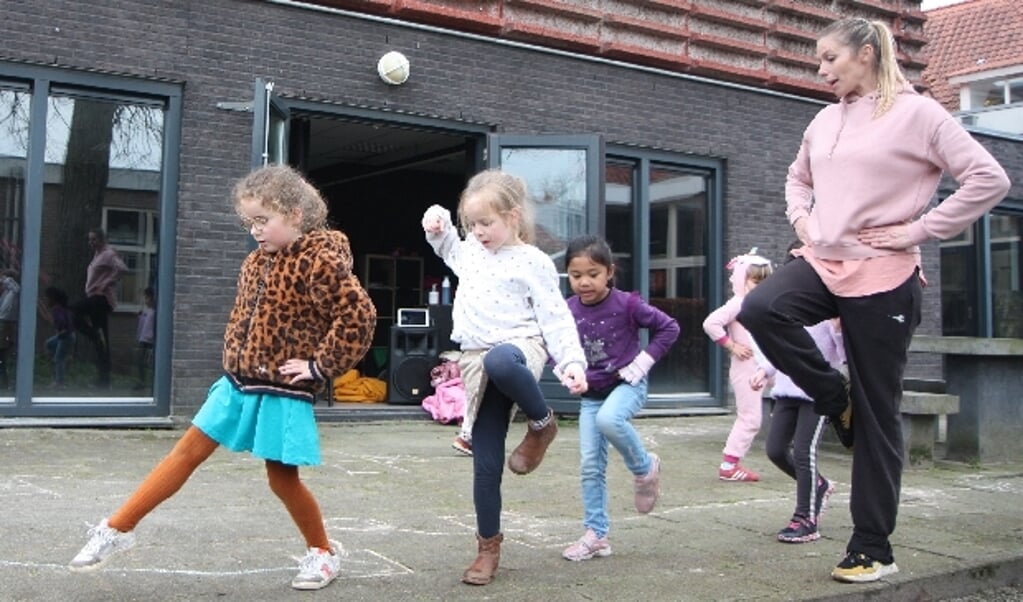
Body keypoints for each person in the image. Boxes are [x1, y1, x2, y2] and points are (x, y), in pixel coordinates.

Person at [737, 17, 1010, 583]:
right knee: (763, 309)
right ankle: (835, 396)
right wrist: (802, 219)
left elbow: (989, 179)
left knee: (879, 413)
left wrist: (921, 230)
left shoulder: (920, 114)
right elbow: (797, 179)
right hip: (823, 260)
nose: (821, 69)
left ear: (866, 53)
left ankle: (872, 546)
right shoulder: (824, 119)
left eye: (829, 58)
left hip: (884, 273)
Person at [69, 164, 378, 592]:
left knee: (281, 478)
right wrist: (233, 353)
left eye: (263, 221)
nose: (255, 230)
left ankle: (323, 553)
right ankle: (116, 529)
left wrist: (318, 367)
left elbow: (359, 317)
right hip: (236, 381)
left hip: (282, 389)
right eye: (249, 222)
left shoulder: (320, 261)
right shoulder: (254, 261)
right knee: (186, 453)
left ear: (294, 214)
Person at [421, 168, 588, 586]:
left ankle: (541, 422)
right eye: (472, 224)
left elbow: (555, 316)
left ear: (513, 217)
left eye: (486, 223)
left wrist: (571, 362)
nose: (478, 232)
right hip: (478, 361)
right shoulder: (469, 252)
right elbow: (443, 242)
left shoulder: (533, 262)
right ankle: (487, 548)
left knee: (501, 360)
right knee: (486, 461)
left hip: (519, 350)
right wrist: (436, 219)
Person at [560, 234, 680, 561]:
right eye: (576, 275)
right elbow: (554, 349)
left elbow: (669, 328)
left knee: (609, 419)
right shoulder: (566, 311)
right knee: (589, 465)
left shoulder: (627, 304)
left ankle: (644, 467)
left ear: (609, 272)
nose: (584, 282)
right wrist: (569, 372)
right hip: (592, 394)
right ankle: (596, 535)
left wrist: (643, 362)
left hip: (627, 385)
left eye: (593, 274)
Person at [752, 316, 843, 543]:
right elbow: (782, 348)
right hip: (786, 391)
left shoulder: (830, 314)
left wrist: (838, 330)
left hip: (818, 394)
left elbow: (845, 357)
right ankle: (819, 485)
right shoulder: (791, 308)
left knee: (804, 453)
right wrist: (764, 370)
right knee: (775, 450)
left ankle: (806, 519)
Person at [703, 249, 773, 482]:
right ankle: (729, 465)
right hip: (747, 369)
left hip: (766, 366)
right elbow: (711, 323)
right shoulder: (738, 303)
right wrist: (731, 345)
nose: (762, 286)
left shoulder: (762, 303)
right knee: (750, 418)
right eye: (756, 281)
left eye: (766, 281)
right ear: (742, 280)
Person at [72, 228, 127, 387]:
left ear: (102, 239)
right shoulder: (98, 254)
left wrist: (106, 282)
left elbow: (122, 268)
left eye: (94, 240)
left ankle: (104, 378)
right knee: (100, 342)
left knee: (71, 311)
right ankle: (103, 379)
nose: (91, 243)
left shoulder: (109, 253)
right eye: (90, 240)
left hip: (101, 299)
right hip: (94, 297)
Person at [43, 286, 76, 388]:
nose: (46, 300)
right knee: (49, 343)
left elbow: (62, 321)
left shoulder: (57, 309)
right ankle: (66, 357)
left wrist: (60, 328)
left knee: (58, 358)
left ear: (53, 298)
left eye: (47, 298)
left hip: (66, 336)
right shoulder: (62, 308)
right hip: (67, 336)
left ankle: (60, 383)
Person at [133, 287, 156, 391]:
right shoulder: (149, 311)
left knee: (147, 362)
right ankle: (141, 382)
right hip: (144, 339)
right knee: (140, 362)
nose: (145, 300)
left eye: (146, 298)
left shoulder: (155, 312)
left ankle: (149, 383)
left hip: (149, 340)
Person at [0, 269, 19, 389]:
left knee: (4, 353)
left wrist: (4, 278)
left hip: (6, 324)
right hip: (3, 323)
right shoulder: (5, 294)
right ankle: (4, 381)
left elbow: (15, 287)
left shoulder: (13, 291)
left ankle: (7, 382)